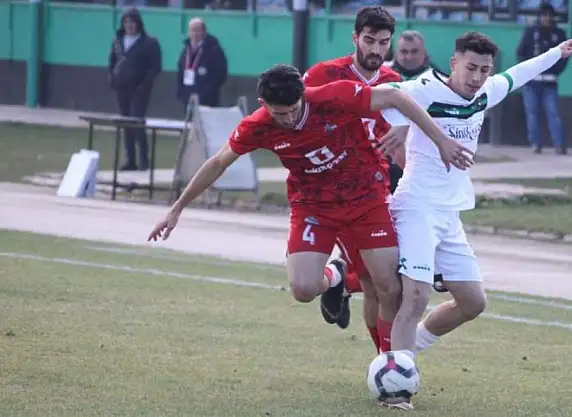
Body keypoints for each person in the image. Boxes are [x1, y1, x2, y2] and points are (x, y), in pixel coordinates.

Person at [146, 65, 475, 365]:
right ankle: (337, 274)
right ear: (263, 104)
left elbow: (395, 97)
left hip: (366, 198)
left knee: (389, 289)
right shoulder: (257, 126)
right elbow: (218, 162)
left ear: (303, 94)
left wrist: (441, 140)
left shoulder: (332, 97)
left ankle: (392, 367)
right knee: (303, 289)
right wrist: (176, 209)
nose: (289, 119)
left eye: (294, 109)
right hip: (314, 207)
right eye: (280, 113)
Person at [374, 32, 572, 410]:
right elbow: (384, 96)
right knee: (416, 297)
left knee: (472, 302)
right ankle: (396, 389)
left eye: (485, 70)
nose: (477, 77)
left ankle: (402, 354)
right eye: (470, 67)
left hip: (450, 213)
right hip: (417, 207)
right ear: (454, 63)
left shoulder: (485, 93)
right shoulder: (424, 88)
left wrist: (556, 52)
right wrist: (400, 122)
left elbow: (519, 74)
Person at [301, 6, 402, 353]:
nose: (376, 49)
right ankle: (388, 361)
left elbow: (399, 134)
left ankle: (388, 363)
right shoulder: (324, 74)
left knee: (387, 285)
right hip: (335, 193)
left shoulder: (393, 82)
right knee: (380, 285)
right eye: (369, 40)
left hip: (376, 190)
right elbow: (296, 116)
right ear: (355, 38)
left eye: (383, 42)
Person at [108, 7, 162, 171]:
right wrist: (112, 78)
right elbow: (112, 62)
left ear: (138, 23)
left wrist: (144, 84)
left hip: (139, 89)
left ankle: (144, 160)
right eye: (126, 22)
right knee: (126, 123)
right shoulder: (118, 41)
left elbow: (155, 67)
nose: (129, 25)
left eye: (132, 22)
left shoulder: (149, 43)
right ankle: (130, 159)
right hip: (122, 88)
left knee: (137, 122)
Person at [516, 3, 569, 154]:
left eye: (549, 15)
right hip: (531, 82)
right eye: (544, 15)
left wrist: (556, 70)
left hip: (550, 81)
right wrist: (528, 70)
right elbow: (520, 52)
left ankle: (559, 144)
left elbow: (564, 57)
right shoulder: (530, 32)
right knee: (532, 113)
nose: (547, 18)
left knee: (553, 112)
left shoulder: (559, 34)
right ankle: (535, 143)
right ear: (539, 17)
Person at [176, 18, 228, 109]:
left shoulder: (213, 49)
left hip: (208, 100)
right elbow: (181, 71)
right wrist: (181, 92)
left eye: (197, 30)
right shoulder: (186, 49)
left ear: (204, 32)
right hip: (188, 97)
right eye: (192, 30)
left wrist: (207, 92)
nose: (194, 33)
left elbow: (220, 74)